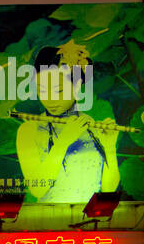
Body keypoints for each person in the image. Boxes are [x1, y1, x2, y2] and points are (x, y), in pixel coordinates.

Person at [16, 47, 120, 205]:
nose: (49, 99)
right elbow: (37, 189)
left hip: (89, 220)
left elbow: (108, 189)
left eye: (58, 91)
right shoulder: (29, 129)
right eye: (41, 91)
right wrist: (63, 142)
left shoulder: (91, 125)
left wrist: (110, 148)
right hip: (47, 222)